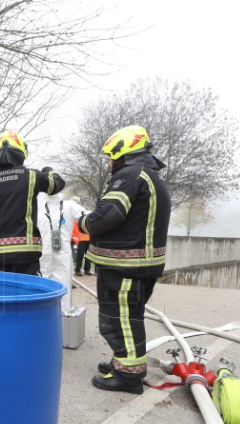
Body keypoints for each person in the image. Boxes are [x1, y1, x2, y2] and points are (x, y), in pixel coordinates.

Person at [77, 125, 171, 394]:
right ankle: (123, 363)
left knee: (120, 320)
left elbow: (108, 215)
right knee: (126, 317)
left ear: (122, 152)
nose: (109, 162)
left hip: (127, 266)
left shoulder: (130, 175)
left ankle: (129, 376)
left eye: (110, 157)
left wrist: (83, 222)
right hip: (135, 264)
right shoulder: (146, 175)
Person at [0, 131, 64, 275]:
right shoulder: (32, 176)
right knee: (27, 295)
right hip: (26, 254)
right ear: (21, 152)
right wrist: (48, 171)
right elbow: (57, 184)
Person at [36, 193, 87, 314]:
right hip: (49, 252)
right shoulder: (38, 205)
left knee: (53, 282)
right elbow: (88, 216)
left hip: (55, 251)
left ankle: (58, 314)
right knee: (55, 282)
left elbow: (87, 215)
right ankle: (55, 314)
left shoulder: (68, 205)